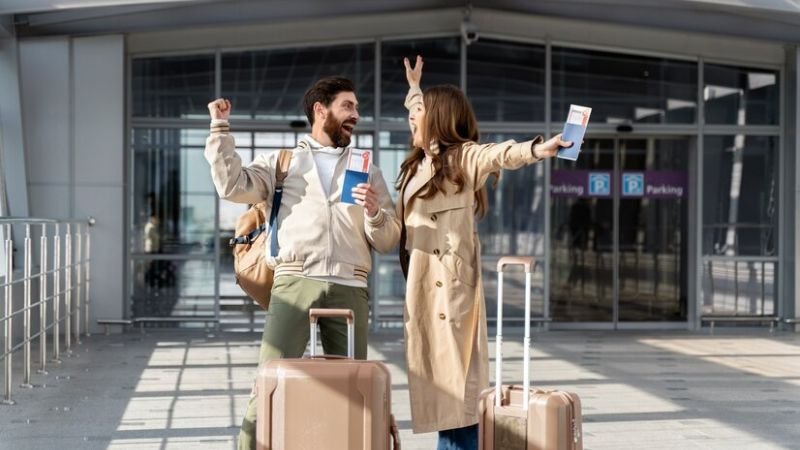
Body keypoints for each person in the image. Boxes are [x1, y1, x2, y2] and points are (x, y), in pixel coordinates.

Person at [205, 76, 401, 450]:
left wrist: (375, 212)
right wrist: (220, 129)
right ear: (320, 110)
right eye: (348, 106)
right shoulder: (283, 164)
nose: (356, 115)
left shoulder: (366, 169)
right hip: (294, 282)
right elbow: (231, 186)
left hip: (351, 286)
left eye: (357, 108)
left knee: (352, 391)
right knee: (269, 383)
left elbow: (388, 239)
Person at [396, 56, 572, 450]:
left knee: (458, 397)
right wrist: (414, 90)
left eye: (420, 115)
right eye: (411, 114)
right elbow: (416, 111)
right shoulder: (418, 165)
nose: (411, 120)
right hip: (421, 289)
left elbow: (498, 154)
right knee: (445, 395)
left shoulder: (462, 159)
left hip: (449, 293)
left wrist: (539, 149)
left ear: (439, 121)